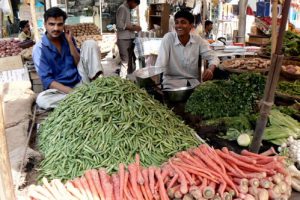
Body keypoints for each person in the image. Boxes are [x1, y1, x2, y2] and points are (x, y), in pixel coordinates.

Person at [33, 7, 103, 110]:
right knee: (42, 100)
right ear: (45, 25)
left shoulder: (67, 38)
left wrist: (70, 42)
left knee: (90, 44)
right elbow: (47, 80)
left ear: (64, 25)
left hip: (80, 81)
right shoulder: (39, 49)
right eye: (52, 24)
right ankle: (84, 98)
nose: (56, 28)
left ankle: (98, 86)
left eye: (60, 24)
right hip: (61, 90)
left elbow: (78, 63)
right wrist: (72, 92)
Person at [155, 10, 219, 89]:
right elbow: (160, 65)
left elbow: (213, 57)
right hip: (171, 84)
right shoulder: (168, 38)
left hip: (193, 84)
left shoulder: (197, 40)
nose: (179, 26)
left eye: (183, 22)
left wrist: (210, 69)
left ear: (191, 26)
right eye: (177, 22)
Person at [116, 0, 141, 79]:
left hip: (129, 38)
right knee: (125, 61)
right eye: (135, 4)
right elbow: (120, 25)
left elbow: (126, 23)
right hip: (123, 39)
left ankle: (128, 79)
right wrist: (134, 28)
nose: (135, 7)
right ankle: (122, 81)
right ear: (132, 1)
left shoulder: (127, 9)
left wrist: (134, 26)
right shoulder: (122, 8)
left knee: (129, 61)